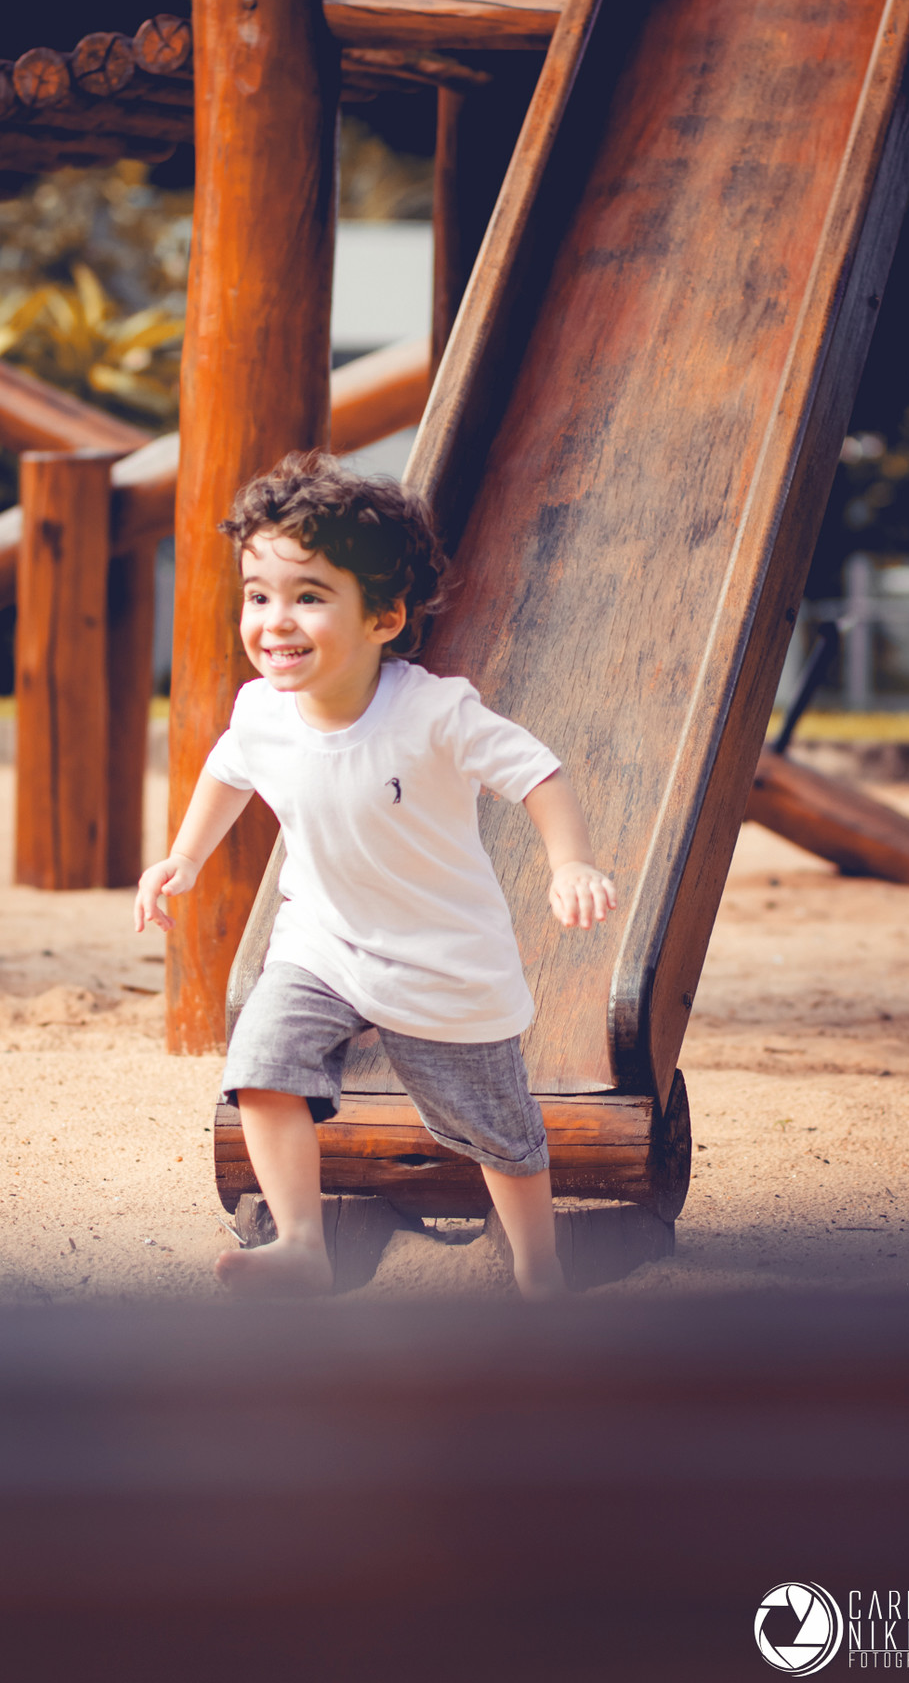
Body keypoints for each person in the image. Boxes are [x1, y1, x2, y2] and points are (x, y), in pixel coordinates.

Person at [135, 452, 616, 1300]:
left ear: (384, 617)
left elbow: (537, 771)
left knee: (497, 1132)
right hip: (323, 939)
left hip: (443, 958)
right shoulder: (262, 711)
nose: (274, 621)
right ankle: (301, 1244)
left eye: (309, 597)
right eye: (258, 595)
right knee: (264, 1061)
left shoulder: (432, 711)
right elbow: (230, 769)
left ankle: (540, 1269)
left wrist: (569, 860)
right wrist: (183, 856)